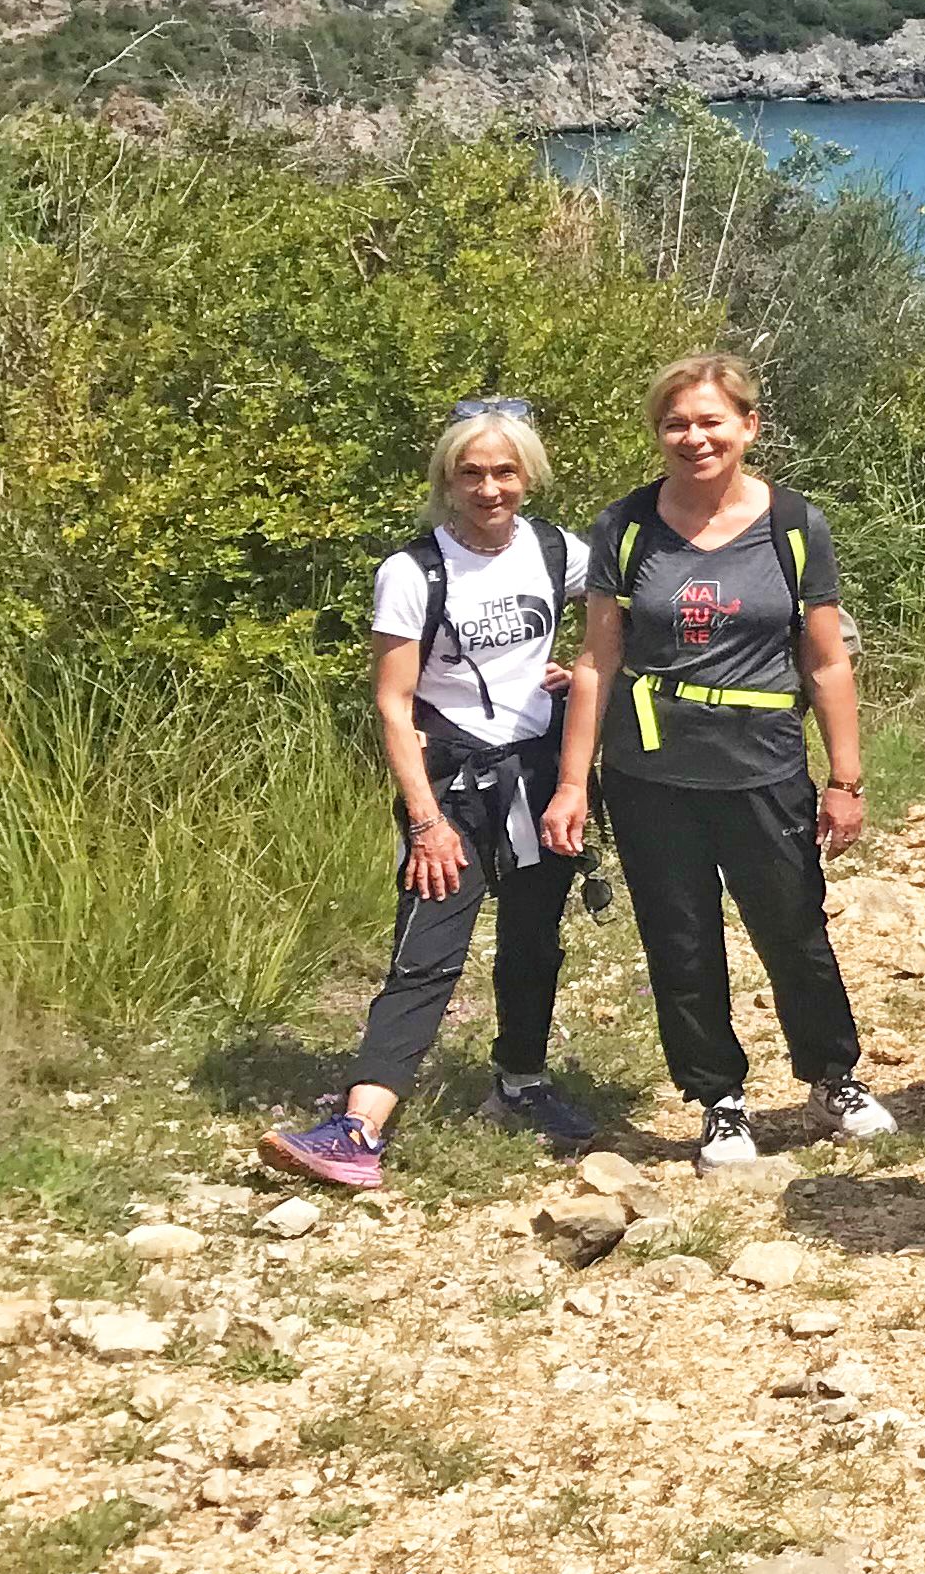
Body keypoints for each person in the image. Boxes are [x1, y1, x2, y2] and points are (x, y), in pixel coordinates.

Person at [552, 354, 890, 1169]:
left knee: (794, 929)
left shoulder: (794, 525)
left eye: (710, 421)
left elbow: (826, 661)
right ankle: (719, 1100)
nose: (694, 438)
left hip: (764, 764)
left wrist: (845, 778)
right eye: (676, 424)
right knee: (682, 940)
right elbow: (598, 659)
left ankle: (831, 1074)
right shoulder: (626, 527)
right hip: (651, 772)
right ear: (657, 434)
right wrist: (572, 783)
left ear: (748, 426)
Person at [263, 401, 603, 1188]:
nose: (490, 489)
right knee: (424, 953)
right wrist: (425, 823)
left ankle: (520, 1084)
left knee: (532, 939)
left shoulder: (560, 553)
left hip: (540, 776)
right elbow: (392, 700)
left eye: (506, 472)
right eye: (472, 473)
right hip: (449, 783)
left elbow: (628, 615)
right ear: (447, 480)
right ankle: (359, 1126)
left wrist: (577, 670)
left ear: (530, 476)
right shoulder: (412, 571)